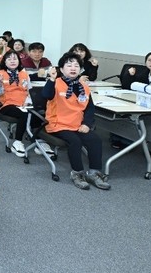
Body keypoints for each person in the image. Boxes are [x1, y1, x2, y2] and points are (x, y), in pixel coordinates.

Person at [43, 53, 110, 190]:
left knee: (95, 140)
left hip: (77, 124)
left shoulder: (83, 86)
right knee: (75, 141)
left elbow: (89, 108)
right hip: (58, 124)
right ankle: (77, 173)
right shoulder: (55, 83)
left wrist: (86, 124)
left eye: (76, 66)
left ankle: (94, 173)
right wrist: (51, 79)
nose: (73, 68)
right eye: (69, 65)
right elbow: (46, 95)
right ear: (62, 69)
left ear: (80, 69)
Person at [0, 50, 37, 158]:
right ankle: (17, 142)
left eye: (15, 59)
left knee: (38, 113)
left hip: (23, 103)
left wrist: (28, 103)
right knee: (24, 114)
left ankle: (39, 142)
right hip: (7, 104)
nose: (12, 61)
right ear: (4, 62)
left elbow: (29, 91)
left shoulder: (24, 74)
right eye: (9, 59)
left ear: (19, 61)